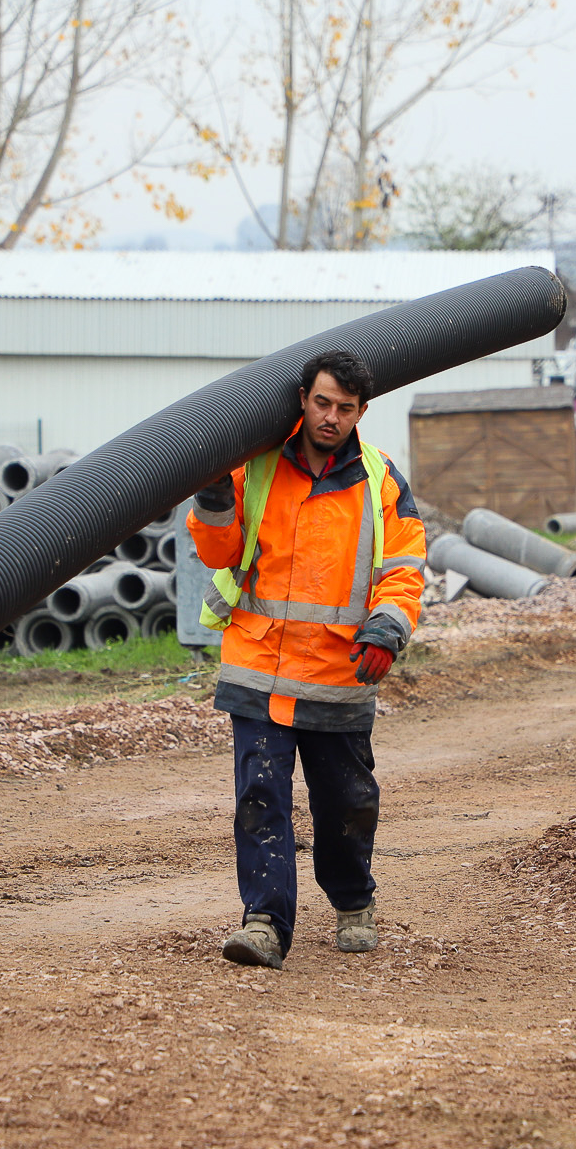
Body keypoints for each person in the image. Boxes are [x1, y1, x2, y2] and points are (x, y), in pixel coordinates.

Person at [186, 349, 427, 970]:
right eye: (322, 403)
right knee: (260, 798)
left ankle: (352, 901)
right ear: (302, 399)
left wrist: (387, 629)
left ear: (362, 412)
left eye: (345, 408)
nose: (331, 417)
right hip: (258, 667)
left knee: (346, 801)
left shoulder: (381, 481)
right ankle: (264, 922)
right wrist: (213, 494)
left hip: (339, 674)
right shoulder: (258, 466)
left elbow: (404, 570)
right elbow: (221, 552)